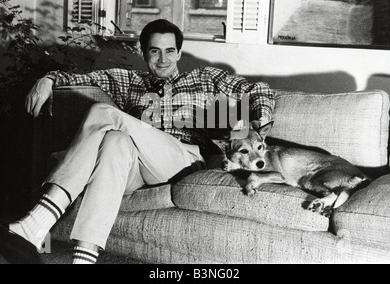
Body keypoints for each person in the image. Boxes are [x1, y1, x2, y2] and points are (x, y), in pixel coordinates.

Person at [0, 19, 275, 264]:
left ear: (179, 52)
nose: (163, 59)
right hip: (137, 168)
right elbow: (78, 78)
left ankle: (38, 221)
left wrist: (256, 127)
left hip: (182, 160)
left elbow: (258, 89)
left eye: (170, 51)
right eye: (155, 51)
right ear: (145, 54)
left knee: (102, 113)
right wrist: (47, 79)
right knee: (116, 141)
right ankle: (84, 258)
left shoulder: (204, 79)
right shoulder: (129, 80)